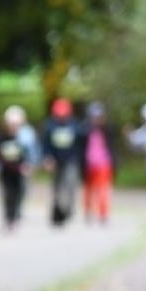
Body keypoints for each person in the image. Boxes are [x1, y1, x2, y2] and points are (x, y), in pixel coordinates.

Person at [0, 104, 35, 232]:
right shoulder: (0, 138)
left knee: (19, 193)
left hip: (18, 171)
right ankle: (8, 218)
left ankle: (16, 216)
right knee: (8, 194)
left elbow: (26, 153)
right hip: (6, 171)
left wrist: (27, 165)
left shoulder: (22, 137)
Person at [40, 97, 84, 227]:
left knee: (70, 185)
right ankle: (58, 211)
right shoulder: (50, 126)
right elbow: (45, 144)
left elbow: (79, 144)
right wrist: (47, 158)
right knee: (57, 187)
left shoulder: (74, 125)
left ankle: (69, 209)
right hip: (55, 161)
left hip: (70, 161)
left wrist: (78, 159)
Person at [80, 100, 118, 224]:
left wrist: (114, 163)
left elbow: (113, 148)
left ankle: (103, 214)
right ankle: (88, 212)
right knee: (88, 190)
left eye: (99, 116)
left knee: (103, 190)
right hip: (88, 165)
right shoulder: (84, 130)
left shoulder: (108, 130)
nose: (97, 119)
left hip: (104, 164)